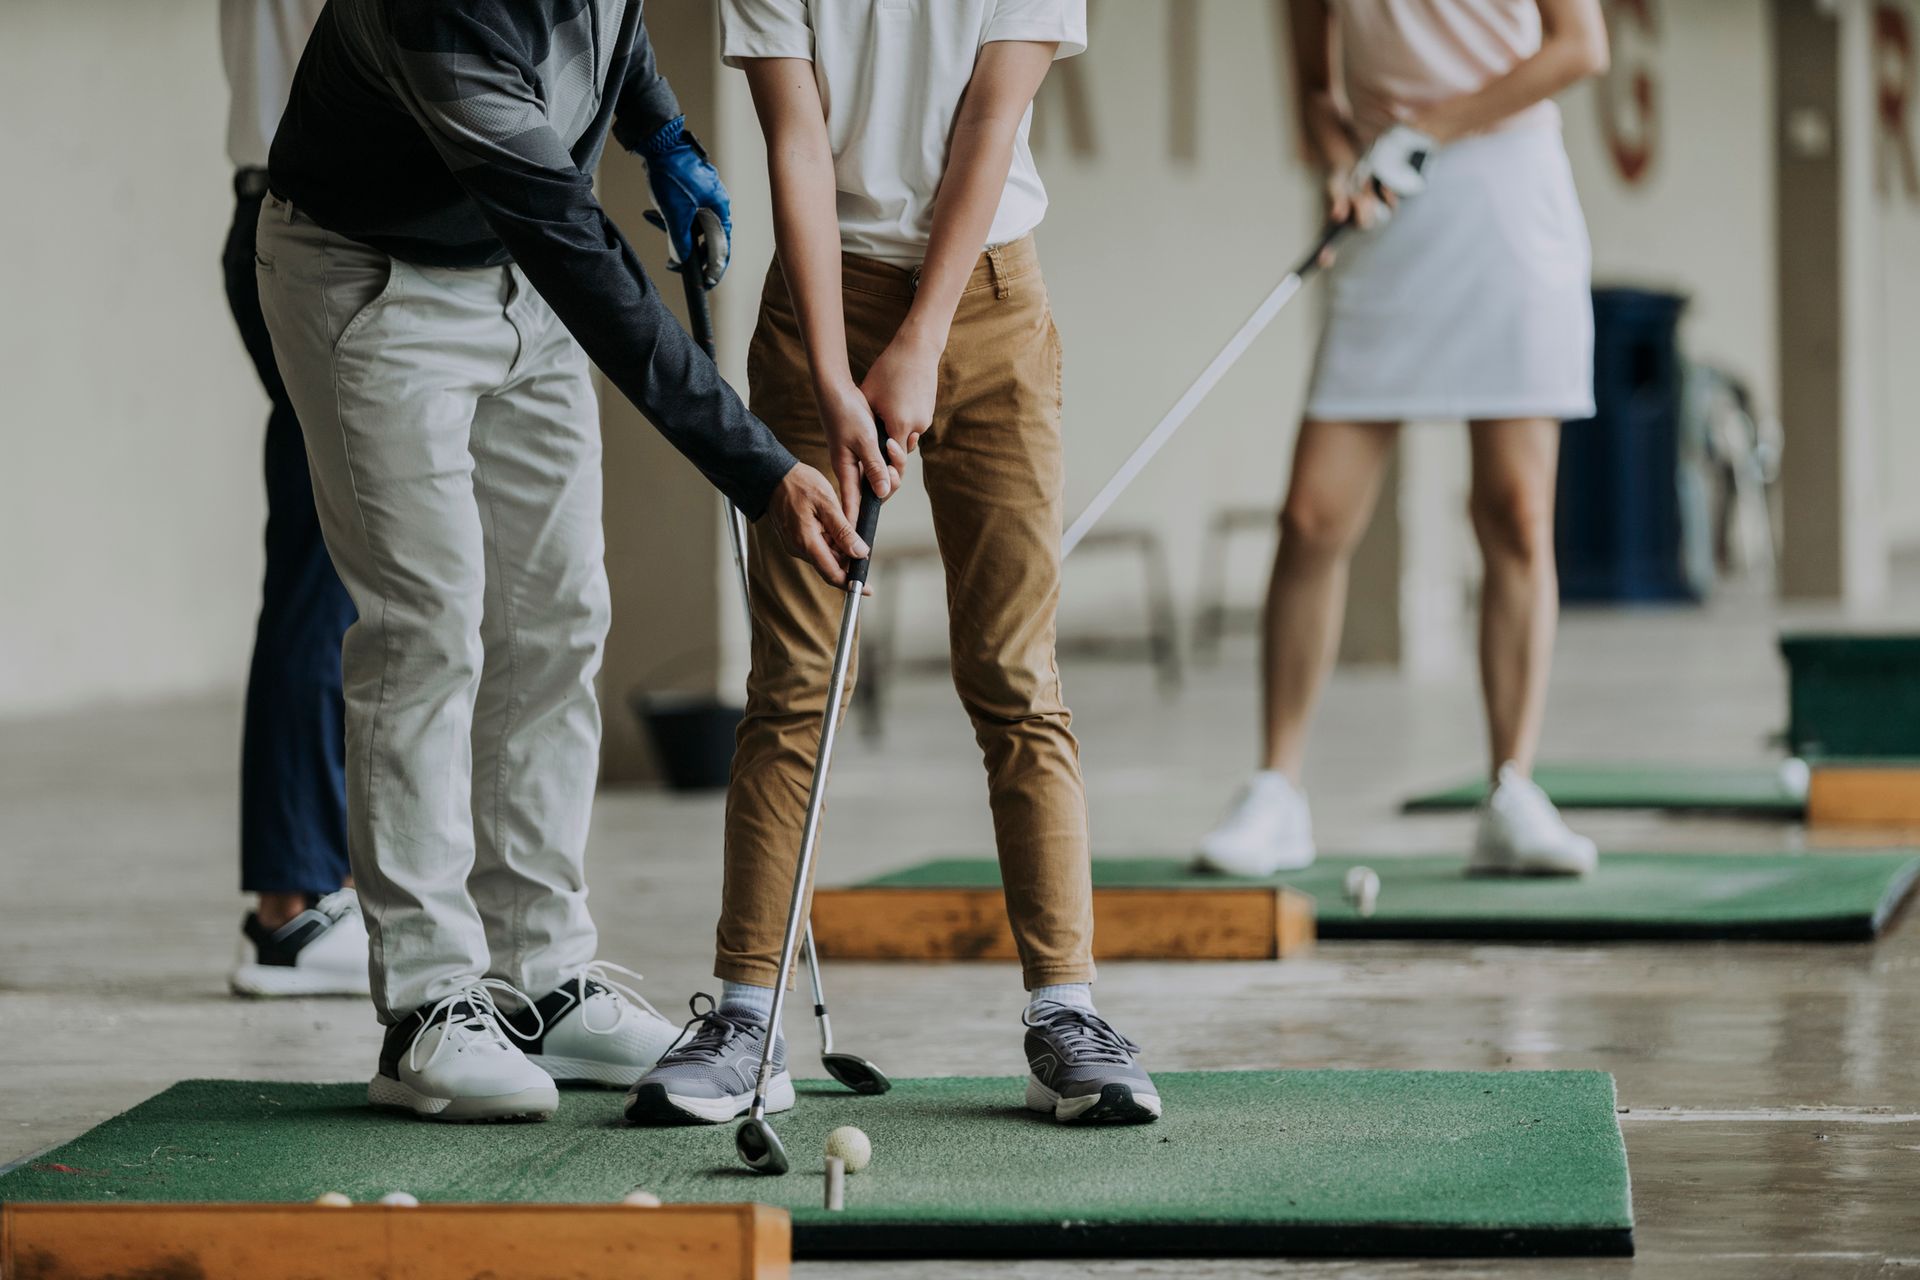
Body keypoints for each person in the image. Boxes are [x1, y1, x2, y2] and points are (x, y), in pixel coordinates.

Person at [257, 0, 862, 1123]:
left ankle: (542, 973)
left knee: (561, 616)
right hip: (373, 277)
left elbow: (606, 27)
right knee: (427, 624)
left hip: (516, 274)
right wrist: (763, 471)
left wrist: (662, 132)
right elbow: (577, 251)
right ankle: (428, 1005)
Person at [626, 0, 1161, 1130]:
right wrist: (833, 372)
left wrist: (918, 342)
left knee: (1015, 676)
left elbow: (989, 122)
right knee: (796, 688)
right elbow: (798, 141)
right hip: (821, 305)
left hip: (993, 311)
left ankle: (1067, 1011)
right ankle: (744, 1014)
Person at [1197, 0, 1611, 878]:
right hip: (1393, 209)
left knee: (1515, 512)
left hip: (1508, 199)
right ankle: (1277, 791)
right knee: (1312, 517)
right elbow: (1315, 88)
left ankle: (1512, 789)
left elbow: (1581, 47)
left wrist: (1427, 127)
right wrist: (1340, 158)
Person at [220, 0, 367, 1000]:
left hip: (282, 211)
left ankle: (309, 883)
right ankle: (296, 900)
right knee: (329, 557)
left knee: (331, 549)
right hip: (325, 224)